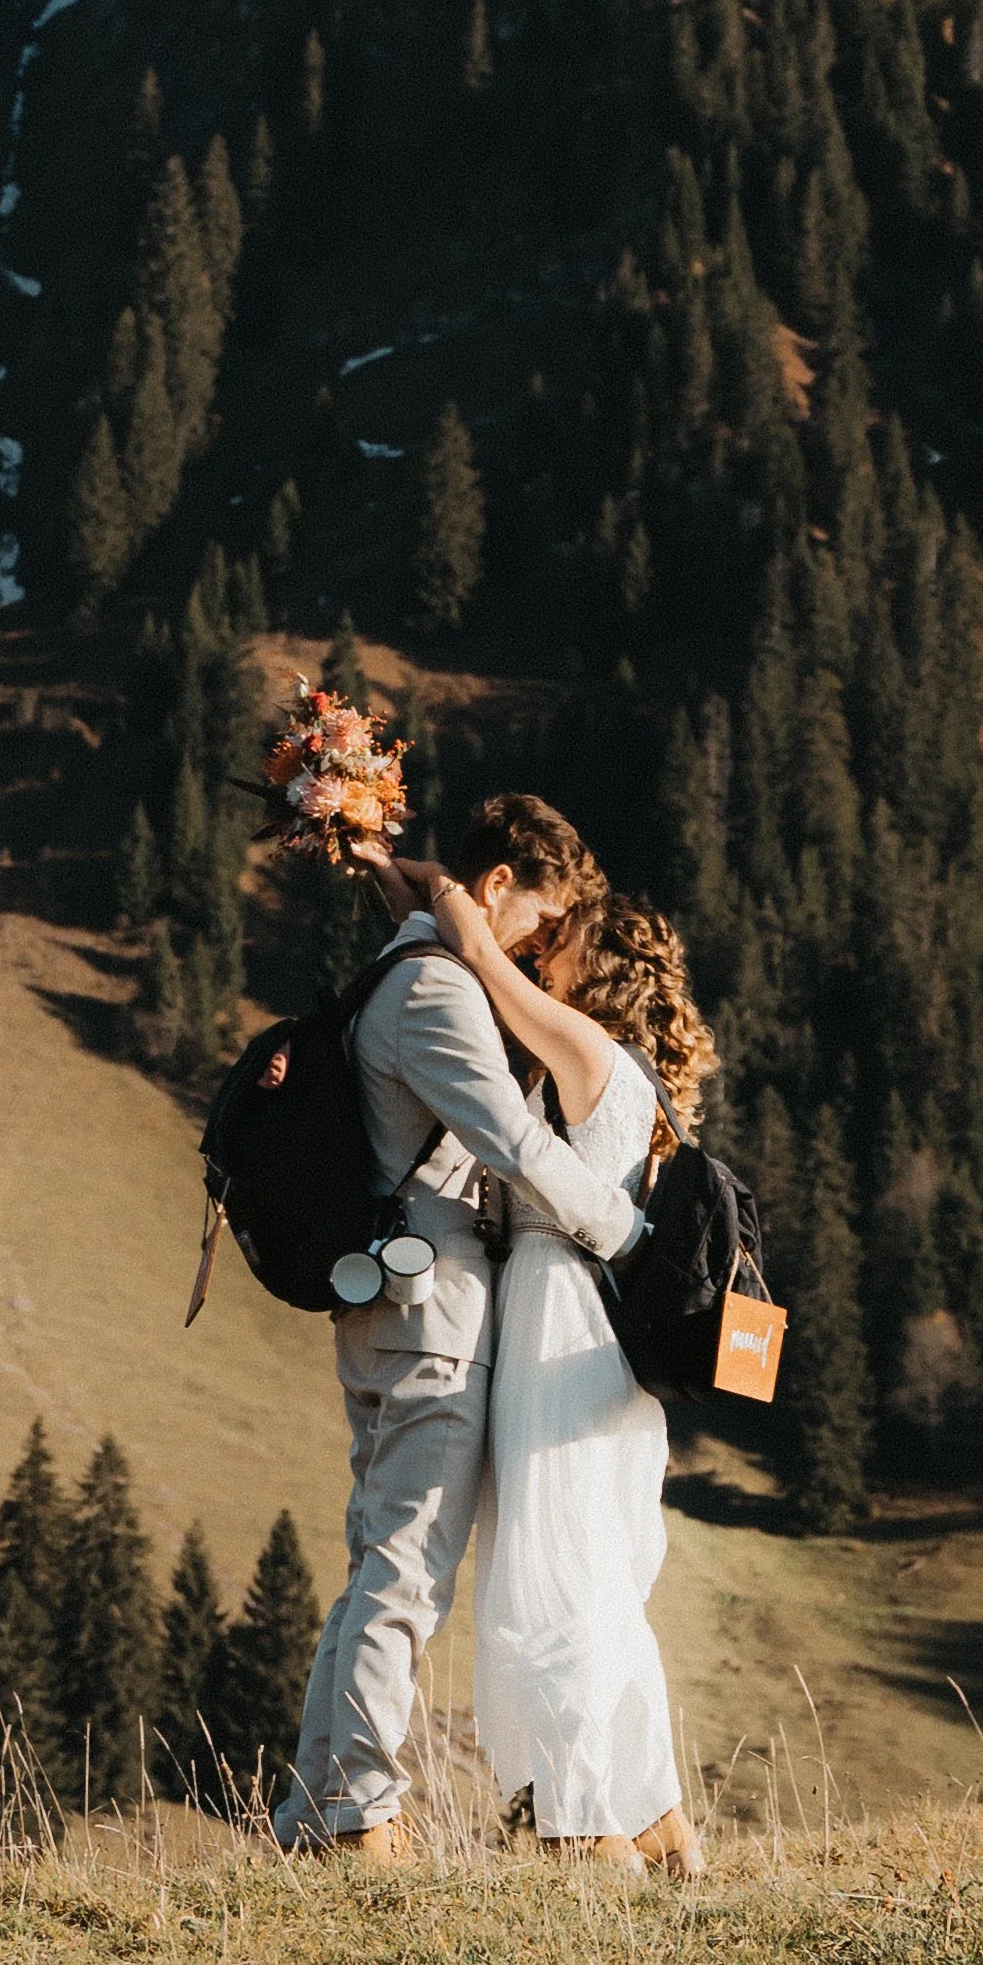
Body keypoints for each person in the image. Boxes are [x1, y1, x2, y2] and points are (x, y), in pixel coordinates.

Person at [273, 794, 648, 1861]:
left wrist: (424, 886)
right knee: (407, 1567)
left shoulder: (400, 969)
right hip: (433, 1303)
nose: (539, 942)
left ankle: (318, 1808)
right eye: (539, 915)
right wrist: (627, 1229)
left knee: (379, 1559)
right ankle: (357, 1812)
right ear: (496, 888)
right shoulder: (435, 991)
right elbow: (518, 1143)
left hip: (391, 1302)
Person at [417, 868, 715, 1878]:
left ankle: (584, 1823)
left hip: (560, 1316)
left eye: (573, 933)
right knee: (592, 1572)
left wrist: (424, 882)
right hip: (598, 1333)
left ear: (608, 966)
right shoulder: (619, 1071)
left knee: (546, 1576)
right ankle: (655, 1818)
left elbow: (485, 965)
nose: (551, 941)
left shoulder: (591, 1050)